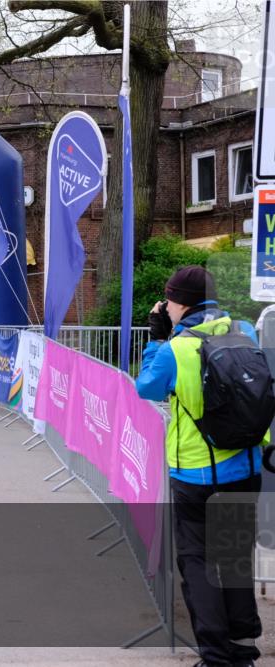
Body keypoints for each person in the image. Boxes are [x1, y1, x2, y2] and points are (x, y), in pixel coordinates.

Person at [135, 266, 263, 667]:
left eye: (169, 300)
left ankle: (215, 655)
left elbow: (147, 388)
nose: (166, 306)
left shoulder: (176, 347)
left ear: (181, 301)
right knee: (235, 557)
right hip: (245, 466)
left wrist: (156, 339)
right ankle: (243, 647)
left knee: (198, 562)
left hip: (195, 473)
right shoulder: (244, 329)